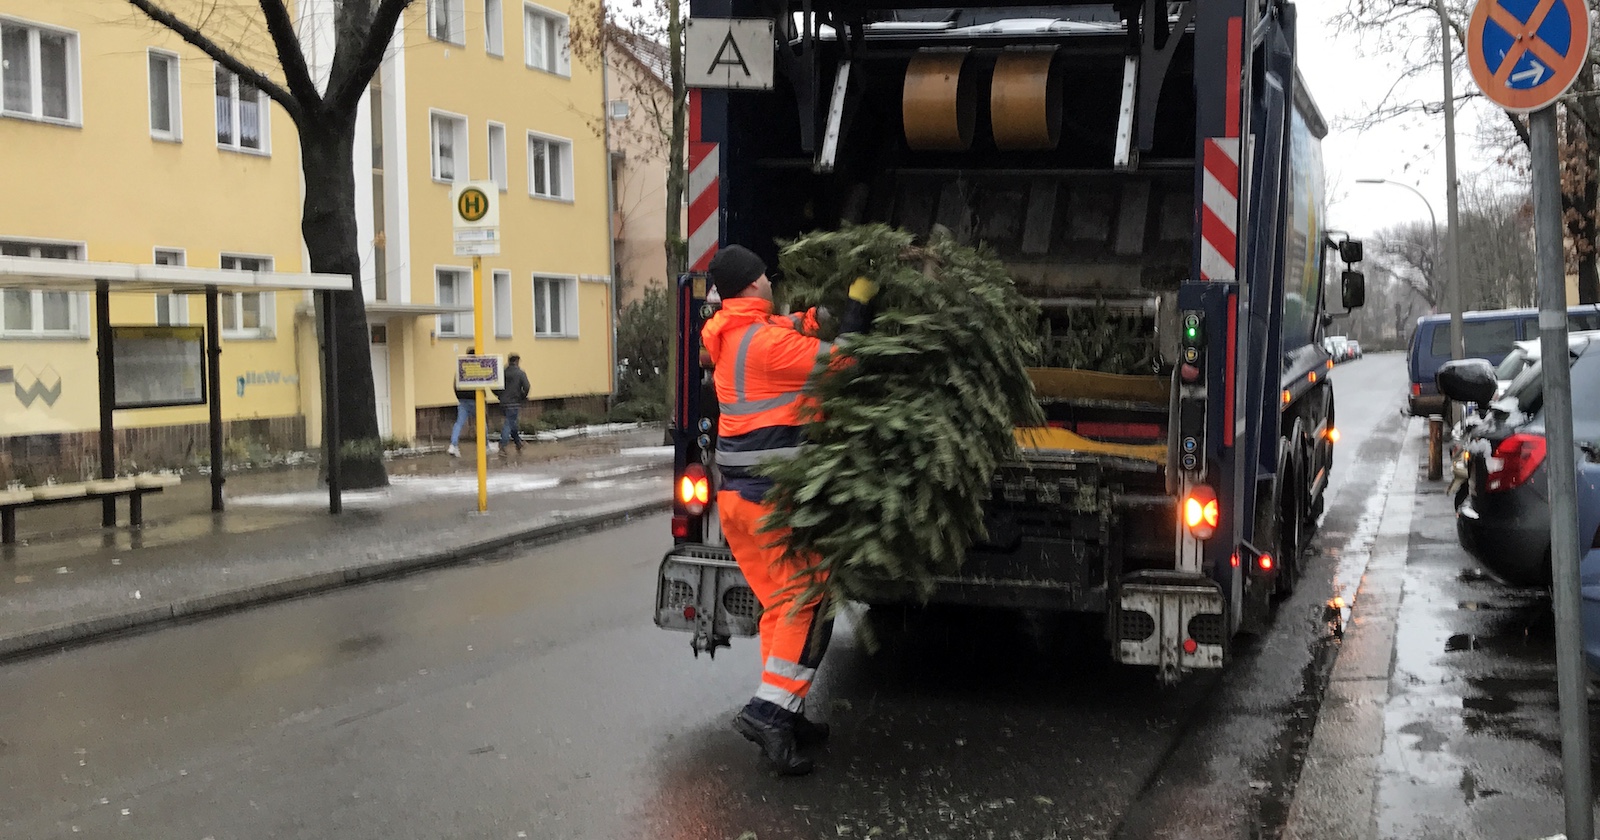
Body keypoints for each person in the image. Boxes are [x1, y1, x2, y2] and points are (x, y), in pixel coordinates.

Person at [701, 244, 878, 776]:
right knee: (802, 600)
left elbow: (791, 328)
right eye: (764, 275)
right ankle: (769, 712)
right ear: (754, 284)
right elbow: (845, 361)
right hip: (767, 500)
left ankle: (787, 718)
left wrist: (821, 312)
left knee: (783, 604)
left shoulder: (738, 332)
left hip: (739, 499)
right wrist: (860, 307)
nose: (770, 281)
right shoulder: (764, 343)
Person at [496, 353, 531, 457]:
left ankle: (518, 443)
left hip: (503, 402)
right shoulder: (520, 373)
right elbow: (527, 387)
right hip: (514, 402)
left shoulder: (502, 372)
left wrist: (500, 395)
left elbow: (494, 386)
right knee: (509, 423)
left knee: (512, 423)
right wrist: (522, 396)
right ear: (517, 361)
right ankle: (502, 445)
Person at [448, 347, 476, 458]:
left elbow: (455, 384)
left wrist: (459, 396)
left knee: (459, 423)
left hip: (462, 400)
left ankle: (453, 445)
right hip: (475, 400)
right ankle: (486, 445)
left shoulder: (461, 367)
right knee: (481, 423)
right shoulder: (479, 367)